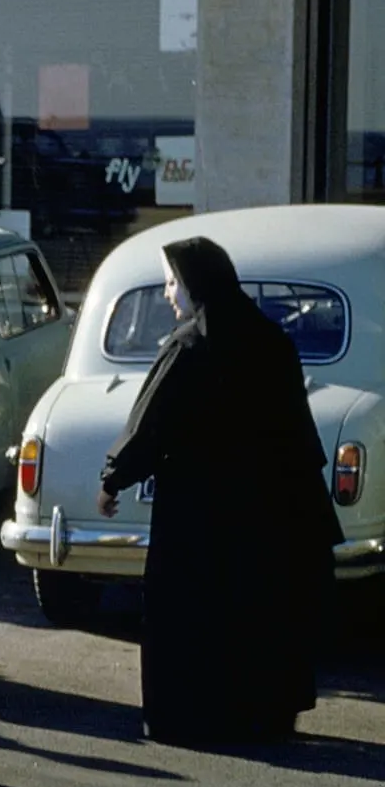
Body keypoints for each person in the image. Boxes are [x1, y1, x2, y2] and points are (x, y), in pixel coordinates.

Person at [96, 236, 337, 743]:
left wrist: (113, 479)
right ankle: (264, 714)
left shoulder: (189, 346)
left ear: (193, 284)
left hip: (200, 511)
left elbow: (149, 424)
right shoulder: (272, 340)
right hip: (272, 508)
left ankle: (196, 718)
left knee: (193, 613)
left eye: (171, 282)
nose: (167, 293)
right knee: (260, 608)